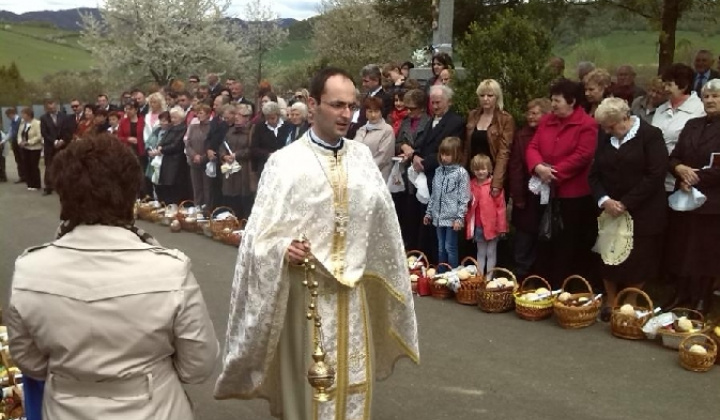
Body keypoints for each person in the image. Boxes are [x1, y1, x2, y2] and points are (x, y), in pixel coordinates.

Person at [214, 67, 419, 420]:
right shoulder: (285, 163)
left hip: (352, 296)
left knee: (353, 384)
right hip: (306, 295)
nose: (345, 114)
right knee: (311, 390)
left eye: (350, 106)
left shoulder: (362, 158)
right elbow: (257, 240)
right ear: (313, 104)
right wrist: (282, 249)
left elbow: (383, 225)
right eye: (336, 104)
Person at [6, 134, 218, 420]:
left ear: (63, 194)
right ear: (131, 194)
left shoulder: (30, 269)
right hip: (155, 406)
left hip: (65, 407)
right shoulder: (170, 270)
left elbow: (30, 362)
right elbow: (198, 365)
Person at [588, 97, 669, 321]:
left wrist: (626, 203)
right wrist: (604, 200)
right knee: (608, 254)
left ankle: (631, 298)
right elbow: (594, 175)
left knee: (640, 257)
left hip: (643, 209)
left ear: (625, 118)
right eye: (604, 127)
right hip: (610, 209)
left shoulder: (651, 135)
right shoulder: (605, 137)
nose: (607, 130)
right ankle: (611, 298)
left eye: (611, 126)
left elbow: (655, 175)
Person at [525, 79, 599, 288]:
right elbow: (533, 146)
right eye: (552, 100)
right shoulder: (547, 120)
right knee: (545, 238)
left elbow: (583, 155)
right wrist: (538, 167)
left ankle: (566, 286)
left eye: (557, 100)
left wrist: (554, 172)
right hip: (546, 191)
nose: (553, 104)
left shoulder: (587, 125)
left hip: (573, 195)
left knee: (568, 242)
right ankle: (545, 282)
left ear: (572, 101)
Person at [665, 78, 720, 314]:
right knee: (681, 249)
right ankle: (681, 294)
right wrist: (679, 171)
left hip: (712, 201)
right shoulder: (692, 125)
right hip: (684, 199)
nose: (710, 100)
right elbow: (674, 157)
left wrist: (694, 177)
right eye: (706, 96)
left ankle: (701, 299)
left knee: (705, 252)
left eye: (715, 96)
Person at [412, 84, 465, 263]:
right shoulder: (430, 120)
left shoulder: (455, 122)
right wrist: (415, 156)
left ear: (448, 102)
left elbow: (449, 150)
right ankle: (428, 259)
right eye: (432, 103)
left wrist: (425, 163)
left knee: (442, 231)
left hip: (442, 176)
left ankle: (441, 264)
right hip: (426, 175)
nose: (434, 106)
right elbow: (422, 143)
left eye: (438, 103)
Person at [507, 98, 551, 279]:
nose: (530, 116)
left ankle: (540, 274)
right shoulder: (522, 135)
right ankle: (522, 274)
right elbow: (516, 167)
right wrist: (517, 196)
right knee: (524, 238)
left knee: (544, 237)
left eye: (535, 113)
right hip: (527, 194)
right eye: (529, 113)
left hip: (547, 194)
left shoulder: (550, 133)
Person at [652, 63, 705, 193]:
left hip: (681, 180)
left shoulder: (699, 111)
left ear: (684, 85)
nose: (665, 88)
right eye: (664, 84)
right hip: (656, 179)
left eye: (669, 85)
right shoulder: (661, 109)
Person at [423, 137, 470, 269]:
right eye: (442, 154)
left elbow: (464, 197)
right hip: (438, 217)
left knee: (450, 246)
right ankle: (441, 273)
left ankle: (453, 273)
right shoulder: (438, 171)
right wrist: (429, 213)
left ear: (456, 155)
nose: (444, 157)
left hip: (452, 218)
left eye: (447, 155)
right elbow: (434, 195)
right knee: (441, 247)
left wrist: (459, 218)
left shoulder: (461, 173)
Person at [464, 79, 515, 198]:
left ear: (497, 97)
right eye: (482, 95)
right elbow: (466, 147)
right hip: (472, 174)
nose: (485, 98)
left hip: (492, 175)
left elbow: (504, 153)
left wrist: (497, 182)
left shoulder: (505, 119)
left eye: (490, 95)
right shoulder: (472, 115)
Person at [464, 153, 508, 276]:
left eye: (483, 169)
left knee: (491, 252)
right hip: (478, 226)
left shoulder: (494, 186)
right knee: (481, 252)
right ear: (473, 170)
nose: (480, 172)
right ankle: (479, 277)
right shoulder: (471, 184)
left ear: (489, 169)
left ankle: (489, 277)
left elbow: (501, 207)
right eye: (477, 169)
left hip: (492, 226)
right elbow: (468, 204)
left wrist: (501, 227)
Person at [219, 104, 254, 218]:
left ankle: (243, 222)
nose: (237, 117)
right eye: (236, 114)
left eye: (240, 115)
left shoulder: (251, 131)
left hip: (244, 169)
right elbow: (223, 145)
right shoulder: (230, 130)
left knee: (244, 197)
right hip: (230, 169)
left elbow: (251, 149)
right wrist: (224, 156)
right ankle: (232, 221)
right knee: (230, 197)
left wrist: (237, 155)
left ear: (247, 117)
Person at [353, 96, 395, 181]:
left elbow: (383, 158)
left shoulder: (387, 130)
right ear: (365, 113)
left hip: (378, 176)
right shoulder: (362, 129)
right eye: (370, 111)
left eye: (376, 111)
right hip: (359, 175)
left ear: (381, 112)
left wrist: (364, 170)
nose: (373, 115)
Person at [154, 107, 190, 204]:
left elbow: (177, 144)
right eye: (172, 117)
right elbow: (163, 139)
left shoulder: (183, 128)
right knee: (166, 183)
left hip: (176, 160)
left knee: (174, 184)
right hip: (167, 158)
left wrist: (163, 149)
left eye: (175, 117)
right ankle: (167, 203)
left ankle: (175, 204)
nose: (173, 120)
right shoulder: (171, 128)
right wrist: (160, 146)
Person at [250, 101, 293, 176]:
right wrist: (268, 154)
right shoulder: (260, 127)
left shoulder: (288, 126)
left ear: (278, 115)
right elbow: (254, 148)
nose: (270, 121)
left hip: (285, 166)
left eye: (272, 118)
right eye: (267, 118)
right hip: (266, 167)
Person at [40, 99, 73, 195]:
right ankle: (48, 187)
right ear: (46, 108)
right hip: (50, 146)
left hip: (63, 145)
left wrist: (63, 140)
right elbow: (44, 132)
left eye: (53, 107)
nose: (52, 109)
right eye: (49, 108)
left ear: (56, 106)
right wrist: (54, 141)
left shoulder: (64, 117)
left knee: (63, 166)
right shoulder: (43, 118)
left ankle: (63, 186)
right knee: (49, 166)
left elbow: (68, 130)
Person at [185, 104, 213, 210]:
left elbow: (212, 144)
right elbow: (188, 143)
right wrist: (193, 155)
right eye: (197, 112)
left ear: (208, 114)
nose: (198, 115)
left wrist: (203, 157)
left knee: (207, 187)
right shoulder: (193, 127)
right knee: (196, 186)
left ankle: (207, 208)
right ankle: (197, 206)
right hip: (194, 161)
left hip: (206, 161)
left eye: (201, 112)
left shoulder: (211, 128)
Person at [17, 108, 43, 191]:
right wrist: (20, 142)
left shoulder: (37, 123)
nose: (22, 116)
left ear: (28, 115)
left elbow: (39, 136)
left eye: (23, 114)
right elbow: (19, 134)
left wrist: (28, 142)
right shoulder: (22, 123)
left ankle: (36, 184)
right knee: (26, 165)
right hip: (25, 148)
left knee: (33, 166)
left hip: (34, 148)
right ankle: (30, 183)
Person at [4, 107, 23, 183]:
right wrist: (4, 140)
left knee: (23, 159)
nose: (8, 118)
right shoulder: (12, 122)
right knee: (18, 159)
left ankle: (26, 176)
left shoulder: (20, 121)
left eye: (8, 116)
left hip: (20, 142)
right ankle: (21, 175)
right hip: (14, 142)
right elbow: (10, 132)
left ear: (12, 114)